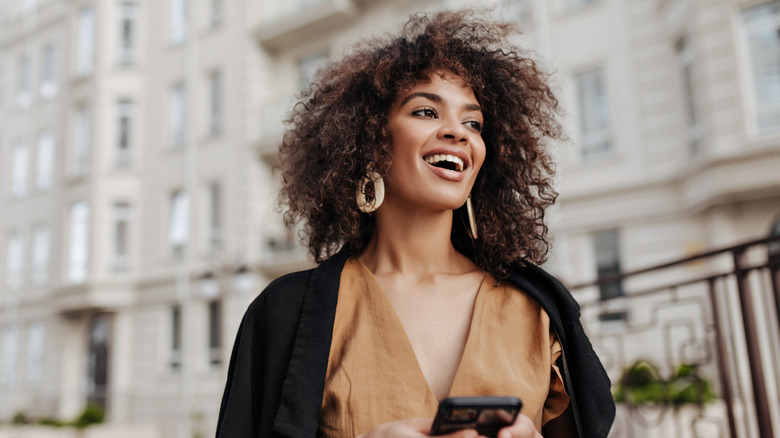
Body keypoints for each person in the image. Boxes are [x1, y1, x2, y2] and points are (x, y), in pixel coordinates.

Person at [216, 9, 615, 438]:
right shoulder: (282, 313)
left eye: (473, 122)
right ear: (368, 140)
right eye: (426, 112)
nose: (458, 133)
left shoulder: (538, 309)